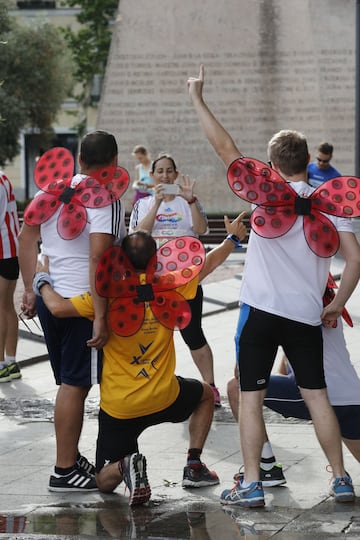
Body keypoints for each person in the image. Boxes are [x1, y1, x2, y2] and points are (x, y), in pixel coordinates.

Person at [187, 65, 360, 507]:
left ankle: (251, 484)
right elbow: (355, 259)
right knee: (317, 397)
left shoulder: (265, 194)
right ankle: (341, 480)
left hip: (260, 312)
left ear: (271, 165)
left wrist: (198, 98)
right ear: (306, 160)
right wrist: (336, 302)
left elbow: (225, 149)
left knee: (249, 397)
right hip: (306, 314)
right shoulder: (329, 203)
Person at [33, 215, 248, 506]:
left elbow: (57, 308)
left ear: (119, 259)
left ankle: (125, 466)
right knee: (206, 395)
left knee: (102, 482)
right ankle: (194, 465)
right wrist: (233, 238)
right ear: (156, 259)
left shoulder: (105, 298)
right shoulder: (172, 285)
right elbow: (208, 262)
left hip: (120, 408)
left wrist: (41, 278)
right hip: (165, 396)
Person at [18, 130, 127, 492]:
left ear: (80, 160)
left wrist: (31, 288)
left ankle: (70, 457)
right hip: (82, 303)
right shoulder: (105, 197)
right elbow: (99, 256)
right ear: (114, 164)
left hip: (53, 300)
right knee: (75, 385)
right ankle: (64, 469)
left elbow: (26, 239)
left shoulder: (50, 191)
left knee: (69, 382)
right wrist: (99, 313)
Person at [129, 153, 223, 407]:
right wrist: (158, 204)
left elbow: (202, 229)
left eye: (169, 171)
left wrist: (190, 199)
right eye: (160, 171)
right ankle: (159, 387)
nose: (165, 175)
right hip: (154, 282)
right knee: (156, 337)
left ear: (176, 174)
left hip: (187, 282)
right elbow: (138, 235)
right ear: (152, 176)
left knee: (193, 335)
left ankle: (211, 386)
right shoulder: (144, 204)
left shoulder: (188, 202)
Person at [227, 315, 360, 487]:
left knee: (236, 388)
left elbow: (242, 372)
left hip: (315, 395)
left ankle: (267, 466)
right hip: (353, 397)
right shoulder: (327, 306)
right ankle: (340, 481)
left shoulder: (285, 309)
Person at [0, 171, 21, 382]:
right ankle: (11, 362)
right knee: (6, 306)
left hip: (2, 251)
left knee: (1, 307)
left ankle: (1, 365)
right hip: (10, 251)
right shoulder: (4, 177)